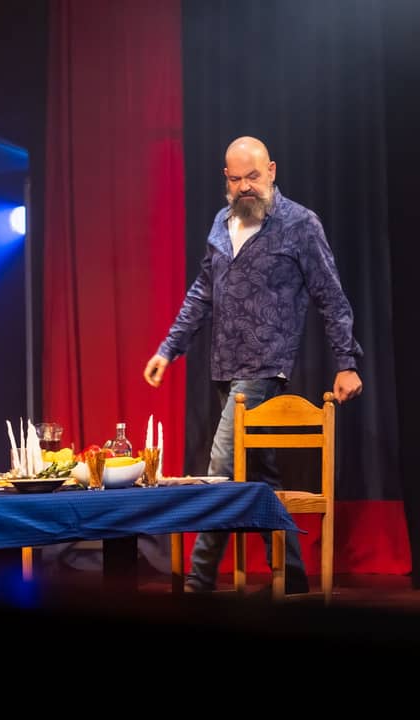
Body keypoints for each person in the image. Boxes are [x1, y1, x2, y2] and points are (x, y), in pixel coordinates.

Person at [144, 136, 364, 594]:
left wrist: (346, 362)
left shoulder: (300, 224)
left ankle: (199, 580)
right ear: (226, 179)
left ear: (271, 172)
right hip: (224, 366)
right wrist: (168, 349)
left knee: (222, 464)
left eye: (253, 176)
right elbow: (202, 293)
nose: (245, 186)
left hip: (266, 366)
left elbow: (331, 295)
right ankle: (294, 576)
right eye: (236, 178)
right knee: (260, 475)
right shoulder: (221, 223)